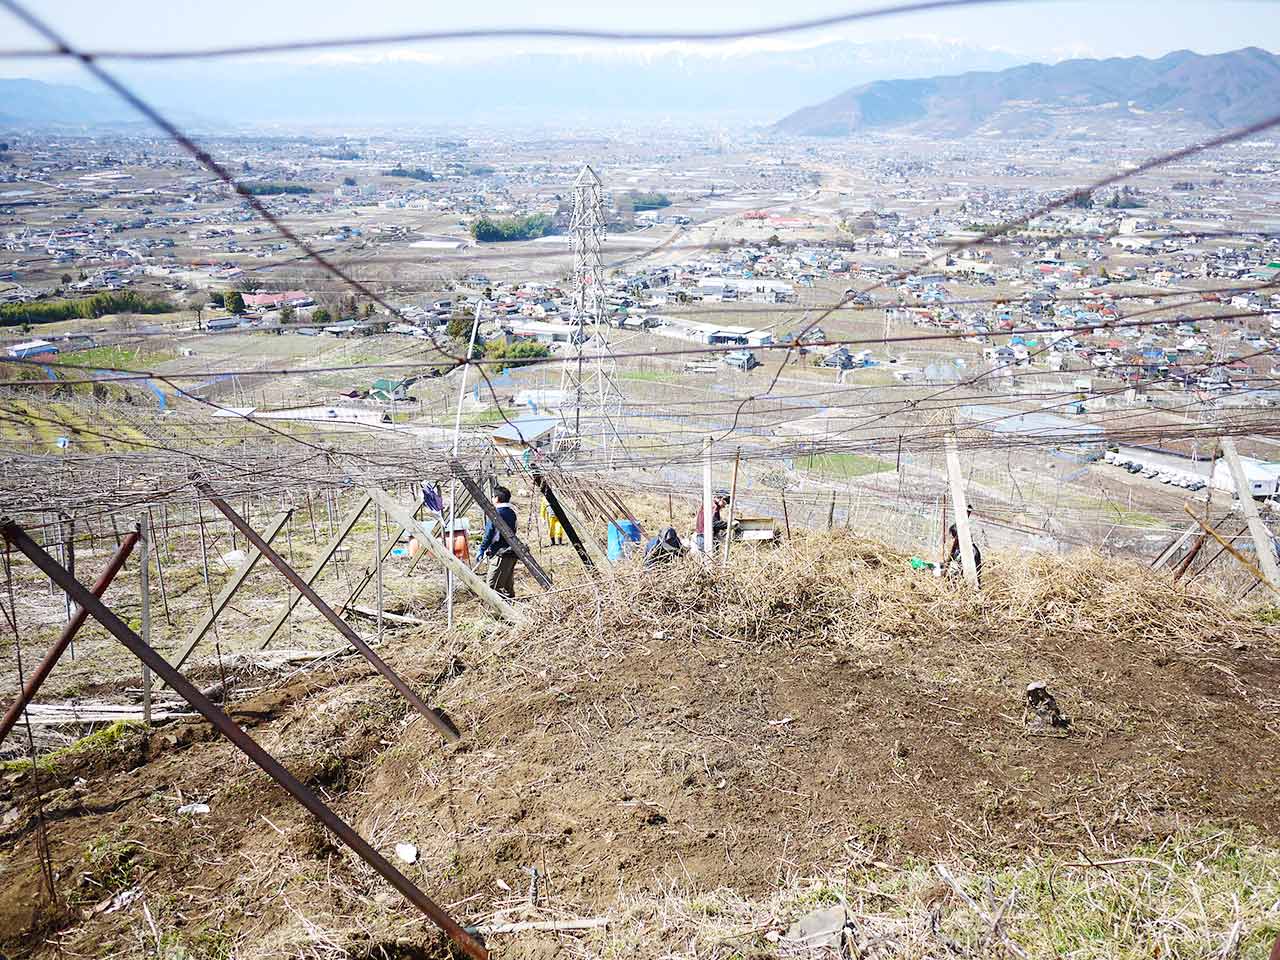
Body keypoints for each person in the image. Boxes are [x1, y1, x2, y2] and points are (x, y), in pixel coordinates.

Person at [477, 485, 518, 598]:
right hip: (512, 551)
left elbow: (489, 533)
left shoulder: (496, 514)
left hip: (500, 553)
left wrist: (482, 548)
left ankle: (498, 611)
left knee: (492, 585)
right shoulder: (512, 512)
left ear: (496, 498)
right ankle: (511, 608)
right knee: (507, 584)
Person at [943, 506, 983, 582]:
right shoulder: (960, 549)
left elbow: (965, 570)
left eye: (953, 537)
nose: (952, 540)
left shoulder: (971, 551)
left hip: (969, 584)